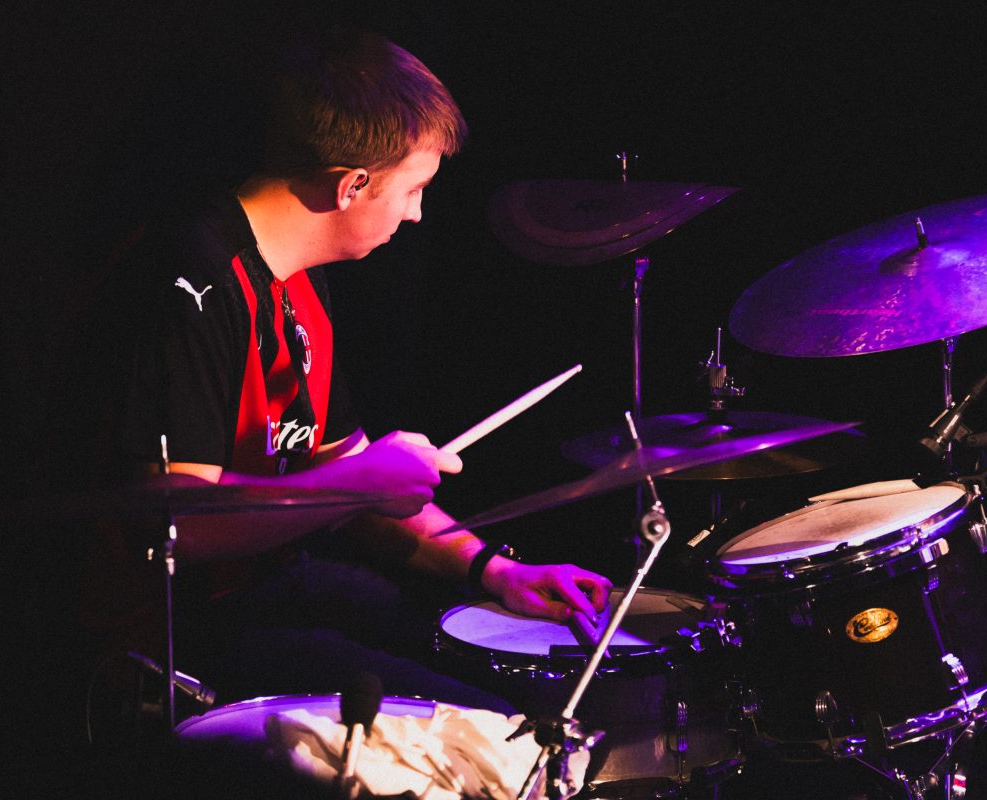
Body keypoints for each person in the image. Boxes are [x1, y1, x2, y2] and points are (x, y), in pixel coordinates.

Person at [101, 29, 613, 714]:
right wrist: (356, 483)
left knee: (526, 682)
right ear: (353, 186)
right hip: (171, 635)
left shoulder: (301, 282)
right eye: (414, 189)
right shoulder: (190, 279)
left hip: (268, 591)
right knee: (495, 727)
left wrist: (495, 571)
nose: (417, 213)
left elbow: (346, 478)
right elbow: (176, 525)